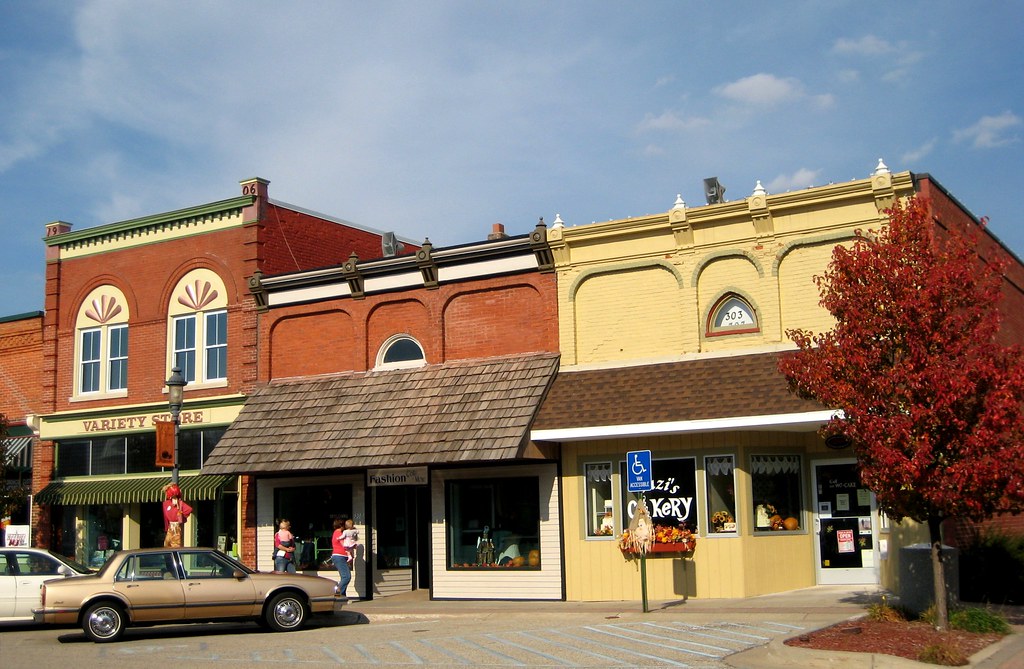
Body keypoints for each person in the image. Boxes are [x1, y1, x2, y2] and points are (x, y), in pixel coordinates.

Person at [330, 518, 351, 597]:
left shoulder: (337, 533)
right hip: (339, 556)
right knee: (347, 577)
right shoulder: (338, 533)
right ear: (341, 525)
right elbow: (344, 544)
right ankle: (337, 592)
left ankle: (342, 596)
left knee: (344, 577)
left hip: (341, 556)